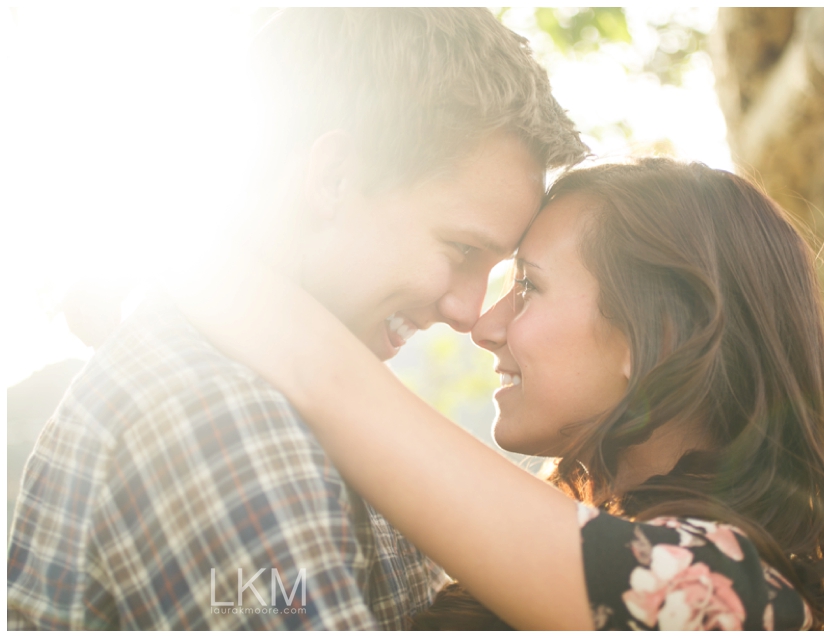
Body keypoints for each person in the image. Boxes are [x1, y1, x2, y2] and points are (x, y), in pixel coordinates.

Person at [6, 9, 587, 630]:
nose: (469, 312)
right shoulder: (220, 423)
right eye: (461, 251)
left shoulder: (294, 403)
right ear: (332, 177)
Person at [170, 158, 824, 630]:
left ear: (653, 333)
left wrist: (168, 261)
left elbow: (330, 381)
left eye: (527, 285)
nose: (483, 324)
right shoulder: (574, 552)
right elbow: (324, 603)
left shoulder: (726, 597)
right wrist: (227, 589)